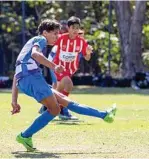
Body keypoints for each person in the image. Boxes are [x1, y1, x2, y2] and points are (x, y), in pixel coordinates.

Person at [11, 19, 117, 152]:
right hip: (32, 78)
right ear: (45, 32)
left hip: (27, 80)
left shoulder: (29, 45)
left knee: (67, 102)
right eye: (54, 33)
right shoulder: (40, 39)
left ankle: (104, 115)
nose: (56, 36)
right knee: (55, 109)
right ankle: (25, 135)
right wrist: (54, 66)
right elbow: (35, 54)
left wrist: (14, 101)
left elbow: (16, 75)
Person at [39, 17, 93, 120]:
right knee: (69, 84)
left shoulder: (81, 42)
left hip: (70, 70)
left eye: (77, 28)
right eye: (73, 27)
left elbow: (87, 57)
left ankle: (47, 108)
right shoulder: (61, 38)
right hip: (59, 68)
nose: (75, 30)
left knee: (61, 90)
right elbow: (48, 42)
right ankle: (59, 110)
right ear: (68, 28)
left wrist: (88, 53)